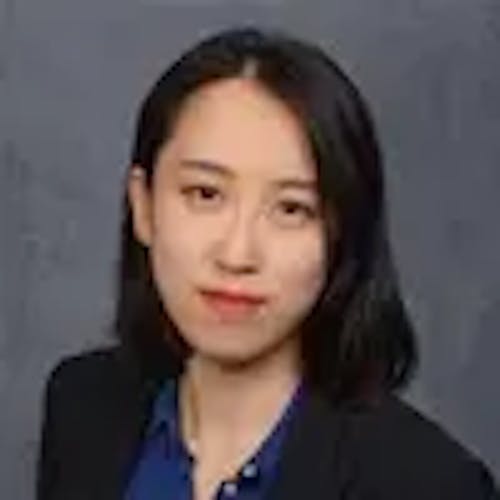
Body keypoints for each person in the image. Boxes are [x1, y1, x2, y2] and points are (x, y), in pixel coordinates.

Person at [36, 26, 499, 500]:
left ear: (342, 236)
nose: (237, 255)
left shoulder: (427, 483)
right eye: (205, 194)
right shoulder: (81, 404)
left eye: (291, 209)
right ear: (144, 207)